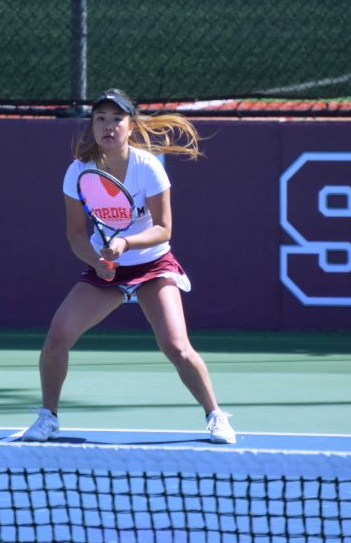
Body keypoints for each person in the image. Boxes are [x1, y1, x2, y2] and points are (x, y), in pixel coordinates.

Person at [22, 88, 236, 444]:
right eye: (100, 119)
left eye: (116, 119)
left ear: (130, 125)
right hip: (106, 268)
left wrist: (124, 243)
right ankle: (49, 418)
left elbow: (163, 228)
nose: (108, 126)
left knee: (176, 347)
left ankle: (215, 415)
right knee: (57, 337)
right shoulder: (78, 172)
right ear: (92, 126)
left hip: (153, 264)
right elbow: (76, 235)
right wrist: (97, 260)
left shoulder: (147, 167)